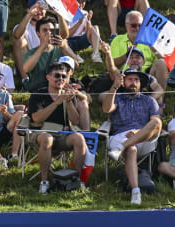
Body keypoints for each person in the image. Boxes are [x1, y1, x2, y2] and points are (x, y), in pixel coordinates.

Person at [28, 62, 94, 193]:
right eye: (57, 75)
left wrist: (68, 101)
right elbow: (36, 118)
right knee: (47, 139)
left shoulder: (68, 95)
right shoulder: (38, 94)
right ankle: (44, 182)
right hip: (42, 132)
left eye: (64, 76)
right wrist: (56, 102)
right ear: (48, 77)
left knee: (79, 138)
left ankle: (74, 180)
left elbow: (75, 121)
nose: (61, 79)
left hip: (63, 133)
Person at [101, 69, 163, 204]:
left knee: (157, 122)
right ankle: (136, 192)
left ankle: (122, 147)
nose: (133, 82)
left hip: (144, 138)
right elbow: (106, 109)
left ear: (140, 84)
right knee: (131, 149)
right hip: (120, 135)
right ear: (123, 83)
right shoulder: (117, 98)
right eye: (130, 79)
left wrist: (138, 132)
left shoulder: (149, 100)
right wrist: (114, 87)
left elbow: (156, 124)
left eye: (136, 80)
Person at [22, 16, 79, 92]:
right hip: (39, 90)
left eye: (51, 30)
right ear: (38, 33)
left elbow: (76, 65)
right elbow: (26, 69)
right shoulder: (32, 52)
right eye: (45, 30)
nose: (49, 33)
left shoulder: (61, 49)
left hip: (60, 88)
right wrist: (42, 48)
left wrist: (65, 47)